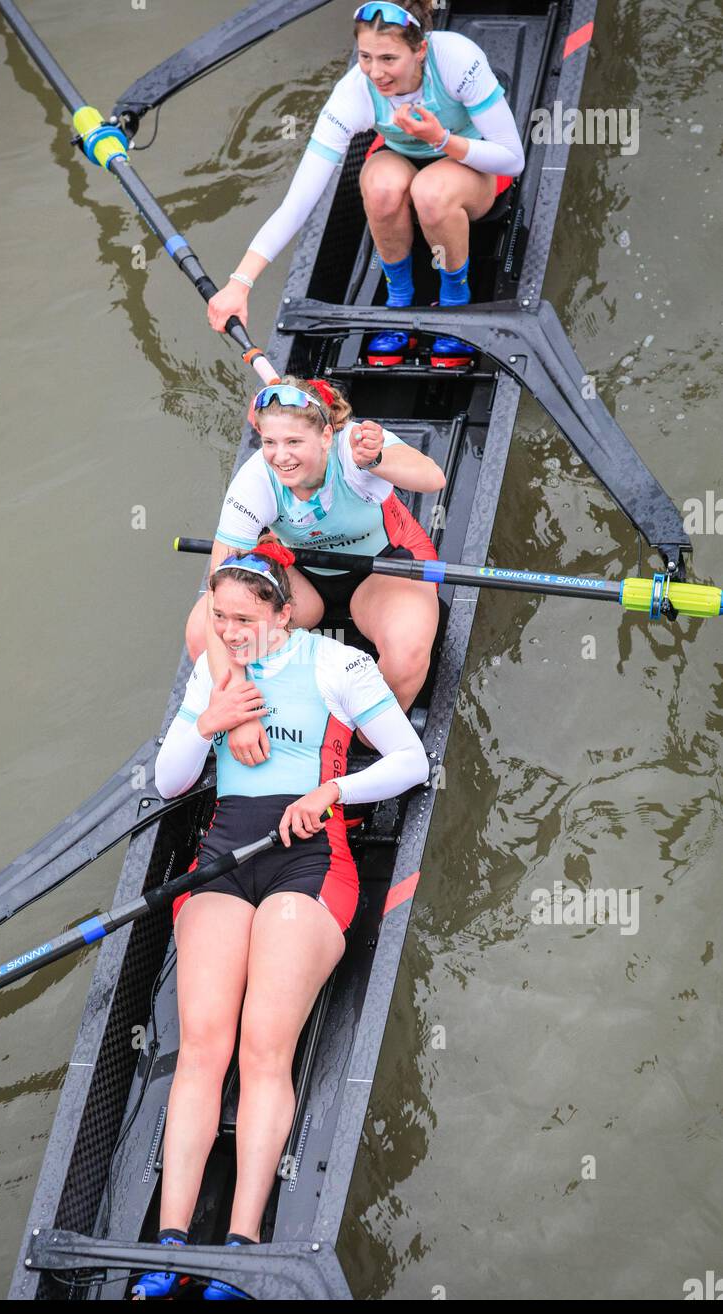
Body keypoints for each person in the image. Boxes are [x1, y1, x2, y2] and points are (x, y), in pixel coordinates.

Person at [132, 542, 428, 1299]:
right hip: (227, 857)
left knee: (264, 1047)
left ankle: (242, 1243)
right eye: (218, 617)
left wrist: (332, 791)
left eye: (242, 618)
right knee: (203, 1045)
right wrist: (207, 722)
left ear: (282, 612)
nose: (227, 632)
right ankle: (167, 1247)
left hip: (311, 862)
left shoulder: (336, 667)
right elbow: (169, 782)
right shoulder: (212, 672)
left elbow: (410, 761)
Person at [207, 1, 524, 367]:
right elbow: (297, 204)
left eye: (389, 59)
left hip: (474, 161)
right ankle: (399, 300)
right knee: (380, 187)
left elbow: (512, 158)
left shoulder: (456, 59)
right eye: (366, 57)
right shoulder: (353, 93)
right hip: (402, 156)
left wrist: (440, 139)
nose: (376, 73)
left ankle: (455, 301)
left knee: (430, 193)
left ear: (420, 50)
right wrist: (239, 283)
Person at [186, 376, 444, 761]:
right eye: (269, 443)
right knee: (202, 635)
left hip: (385, 566)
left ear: (326, 436)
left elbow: (432, 478)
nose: (280, 456)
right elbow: (217, 602)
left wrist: (377, 460)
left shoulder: (354, 446)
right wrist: (237, 713)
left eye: (293, 442)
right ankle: (268, 714)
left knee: (406, 656)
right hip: (302, 575)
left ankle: (364, 742)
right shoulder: (255, 481)